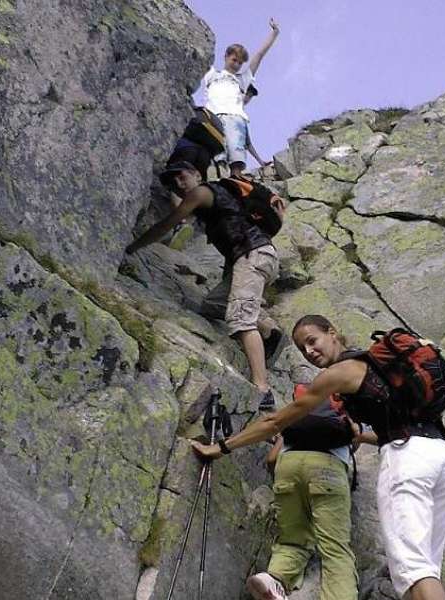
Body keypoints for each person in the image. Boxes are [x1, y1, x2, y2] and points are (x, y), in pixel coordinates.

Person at [192, 315, 445, 600]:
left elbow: (274, 424)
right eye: (302, 348)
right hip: (442, 457)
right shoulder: (383, 370)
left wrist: (221, 447)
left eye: (312, 340)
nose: (309, 351)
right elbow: (375, 431)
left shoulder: (339, 373)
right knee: (423, 570)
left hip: (407, 459)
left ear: (332, 333)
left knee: (415, 571)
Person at [125, 160, 285, 409]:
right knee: (211, 307)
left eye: (181, 177)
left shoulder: (202, 192)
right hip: (253, 256)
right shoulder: (215, 198)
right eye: (173, 183)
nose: (179, 184)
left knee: (241, 320)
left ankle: (262, 389)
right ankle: (268, 331)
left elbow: (168, 224)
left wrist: (133, 246)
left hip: (252, 255)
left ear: (197, 174)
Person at [246, 379, 360, 600]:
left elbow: (271, 459)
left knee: (292, 539)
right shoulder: (345, 409)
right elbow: (356, 436)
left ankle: (275, 578)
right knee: (335, 551)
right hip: (327, 467)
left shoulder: (298, 413)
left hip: (287, 466)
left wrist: (283, 487)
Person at [201, 19, 280, 178]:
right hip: (213, 116)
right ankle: (216, 181)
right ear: (226, 57)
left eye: (240, 62)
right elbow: (199, 54)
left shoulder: (242, 79)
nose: (237, 64)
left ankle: (237, 182)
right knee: (216, 155)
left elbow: (259, 55)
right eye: (234, 60)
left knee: (236, 157)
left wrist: (274, 34)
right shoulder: (212, 74)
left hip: (235, 119)